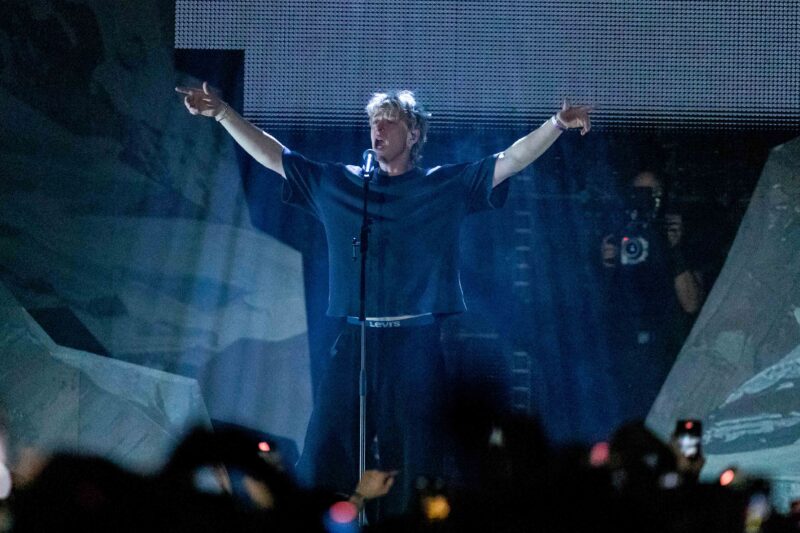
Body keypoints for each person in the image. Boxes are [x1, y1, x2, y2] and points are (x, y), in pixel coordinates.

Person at [176, 82, 591, 516]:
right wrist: (222, 113)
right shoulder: (341, 183)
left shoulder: (442, 185)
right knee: (325, 447)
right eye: (374, 121)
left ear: (413, 134)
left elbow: (510, 160)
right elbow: (274, 156)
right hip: (356, 340)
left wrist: (556, 124)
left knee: (414, 456)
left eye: (389, 121)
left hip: (415, 345)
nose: (378, 129)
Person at [600, 171, 704, 421]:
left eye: (653, 192)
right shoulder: (617, 234)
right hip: (627, 362)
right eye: (640, 192)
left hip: (671, 358)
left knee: (680, 427)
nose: (646, 199)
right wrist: (606, 265)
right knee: (629, 429)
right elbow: (596, 312)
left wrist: (673, 249)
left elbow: (691, 303)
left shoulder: (678, 235)